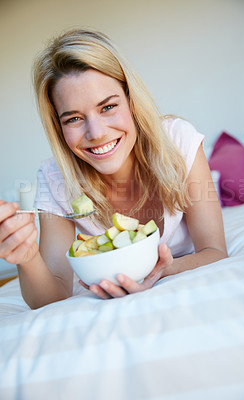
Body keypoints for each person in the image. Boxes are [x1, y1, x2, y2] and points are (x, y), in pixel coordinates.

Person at [0, 29, 227, 308]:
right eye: (73, 119)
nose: (96, 133)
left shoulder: (178, 140)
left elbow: (214, 251)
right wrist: (27, 256)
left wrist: (161, 271)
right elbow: (53, 296)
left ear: (131, 100)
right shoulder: (53, 179)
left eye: (107, 107)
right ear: (58, 128)